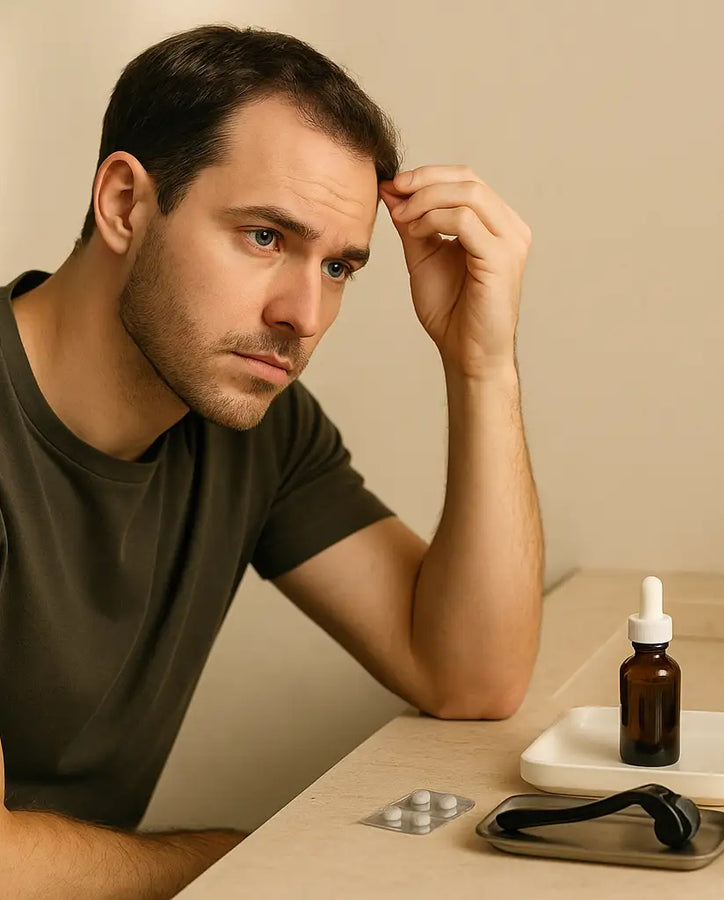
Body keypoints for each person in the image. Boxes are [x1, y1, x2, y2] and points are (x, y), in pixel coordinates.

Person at [0, 22, 542, 898]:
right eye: (264, 237)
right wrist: (276, 859)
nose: (305, 314)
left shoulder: (250, 426)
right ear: (126, 204)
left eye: (339, 267)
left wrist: (481, 364)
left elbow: (471, 676)